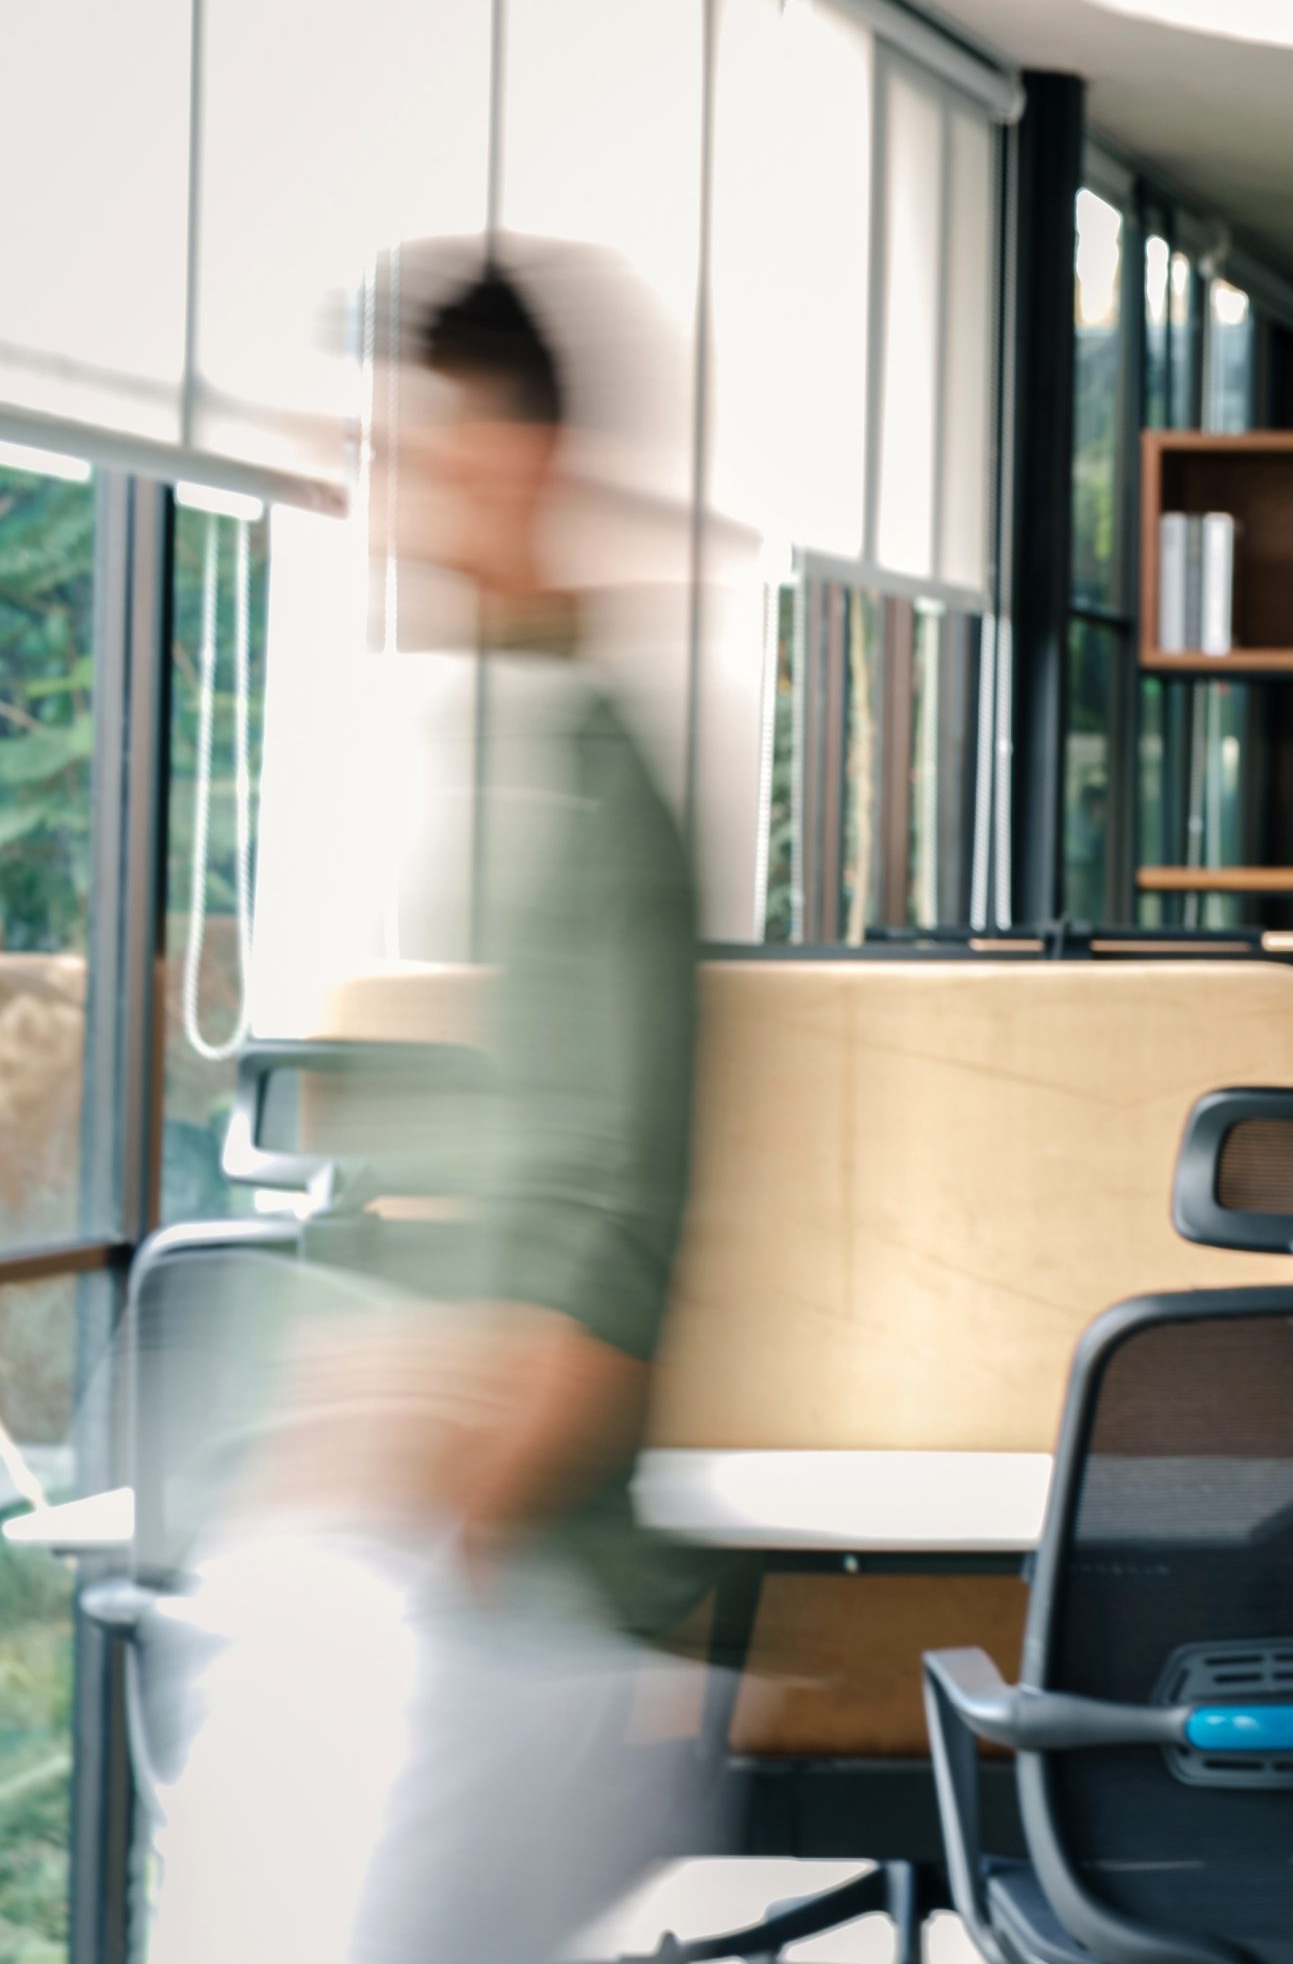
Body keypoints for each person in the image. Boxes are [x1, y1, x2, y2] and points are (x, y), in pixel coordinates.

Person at [145, 258, 711, 1964]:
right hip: (429, 1558)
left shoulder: (596, 787)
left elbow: (606, 1221)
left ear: (516, 454)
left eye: (412, 449)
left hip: (490, 1585)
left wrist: (439, 1520)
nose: (378, 495)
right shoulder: (514, 740)